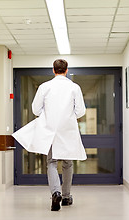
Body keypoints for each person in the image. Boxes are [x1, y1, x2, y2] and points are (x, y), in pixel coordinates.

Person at [12, 59, 87, 211]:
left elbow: (35, 109)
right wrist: (69, 115)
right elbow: (81, 111)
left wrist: (47, 115)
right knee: (68, 163)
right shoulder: (74, 87)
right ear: (66, 70)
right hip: (68, 130)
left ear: (53, 70)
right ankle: (66, 197)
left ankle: (55, 193)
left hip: (51, 130)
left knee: (51, 162)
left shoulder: (45, 87)